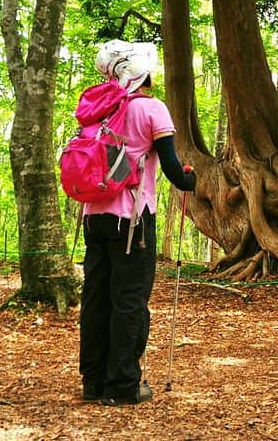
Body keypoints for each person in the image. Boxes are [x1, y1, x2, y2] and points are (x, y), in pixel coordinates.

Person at [79, 40, 197, 406]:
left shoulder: (100, 111)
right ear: (143, 73)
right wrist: (191, 180)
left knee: (96, 299)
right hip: (131, 221)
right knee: (129, 301)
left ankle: (93, 382)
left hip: (93, 216)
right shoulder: (152, 109)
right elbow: (176, 172)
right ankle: (123, 386)